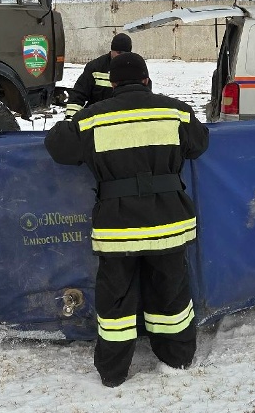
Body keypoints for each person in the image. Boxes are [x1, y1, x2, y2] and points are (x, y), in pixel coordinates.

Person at [45, 52, 209, 387]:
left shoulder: (93, 118)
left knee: (115, 299)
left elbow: (58, 146)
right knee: (171, 292)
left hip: (118, 229)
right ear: (147, 80)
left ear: (113, 83)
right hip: (169, 224)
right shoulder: (174, 111)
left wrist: (71, 119)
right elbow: (199, 144)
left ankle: (113, 372)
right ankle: (176, 358)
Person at [65, 32, 133, 119]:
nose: (122, 56)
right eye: (119, 52)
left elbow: (143, 96)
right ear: (111, 50)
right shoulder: (96, 67)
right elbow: (79, 94)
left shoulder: (136, 68)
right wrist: (71, 119)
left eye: (125, 53)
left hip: (125, 120)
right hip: (98, 119)